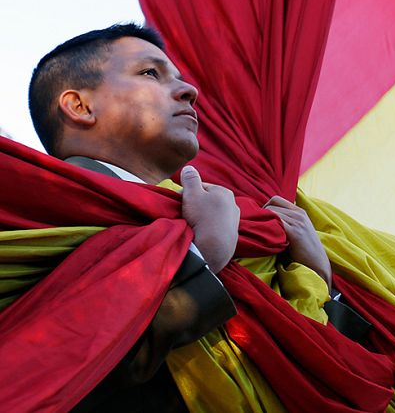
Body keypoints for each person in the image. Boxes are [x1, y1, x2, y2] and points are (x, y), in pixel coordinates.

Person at [27, 23, 362, 410]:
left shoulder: (240, 219)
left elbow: (331, 379)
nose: (191, 91)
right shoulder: (37, 221)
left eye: (180, 78)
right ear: (80, 106)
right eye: (150, 73)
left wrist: (319, 278)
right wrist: (205, 254)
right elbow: (49, 374)